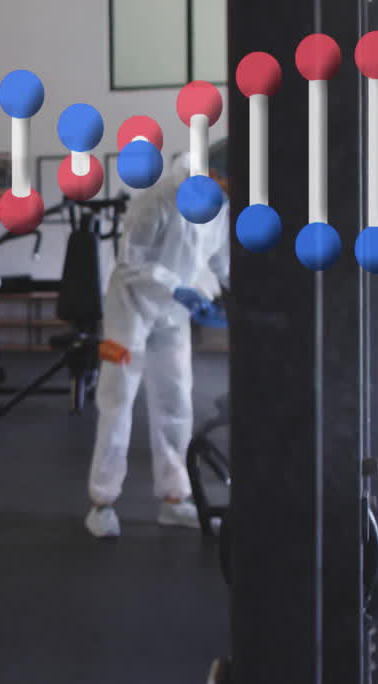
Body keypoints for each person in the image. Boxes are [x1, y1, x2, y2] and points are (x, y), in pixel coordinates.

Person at [84, 152, 230, 538]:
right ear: (213, 172)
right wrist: (177, 287)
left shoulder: (221, 207)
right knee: (118, 401)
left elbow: (222, 260)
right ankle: (102, 502)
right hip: (130, 307)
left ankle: (174, 498)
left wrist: (235, 294)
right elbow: (130, 262)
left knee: (176, 401)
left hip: (173, 313)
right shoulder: (160, 198)